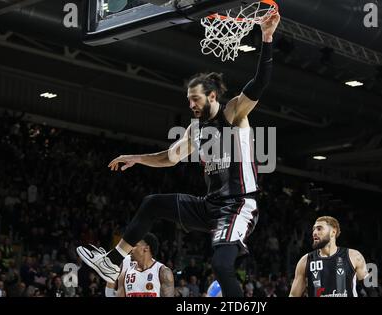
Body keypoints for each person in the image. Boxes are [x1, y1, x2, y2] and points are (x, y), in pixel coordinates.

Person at [77, 12, 281, 297]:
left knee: (222, 267)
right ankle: (112, 262)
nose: (191, 104)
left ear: (212, 96)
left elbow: (260, 83)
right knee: (152, 204)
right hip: (209, 205)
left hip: (237, 204)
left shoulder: (233, 112)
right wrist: (138, 158)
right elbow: (169, 157)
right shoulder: (194, 130)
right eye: (188, 99)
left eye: (195, 98)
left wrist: (267, 38)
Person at [289, 216, 377, 297]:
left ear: (333, 232)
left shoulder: (354, 256)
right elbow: (293, 295)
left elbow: (371, 291)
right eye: (314, 229)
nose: (314, 233)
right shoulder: (305, 261)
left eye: (319, 229)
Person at [103, 233, 174, 297]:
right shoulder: (125, 274)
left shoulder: (163, 272)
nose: (130, 249)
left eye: (134, 245)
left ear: (146, 248)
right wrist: (110, 275)